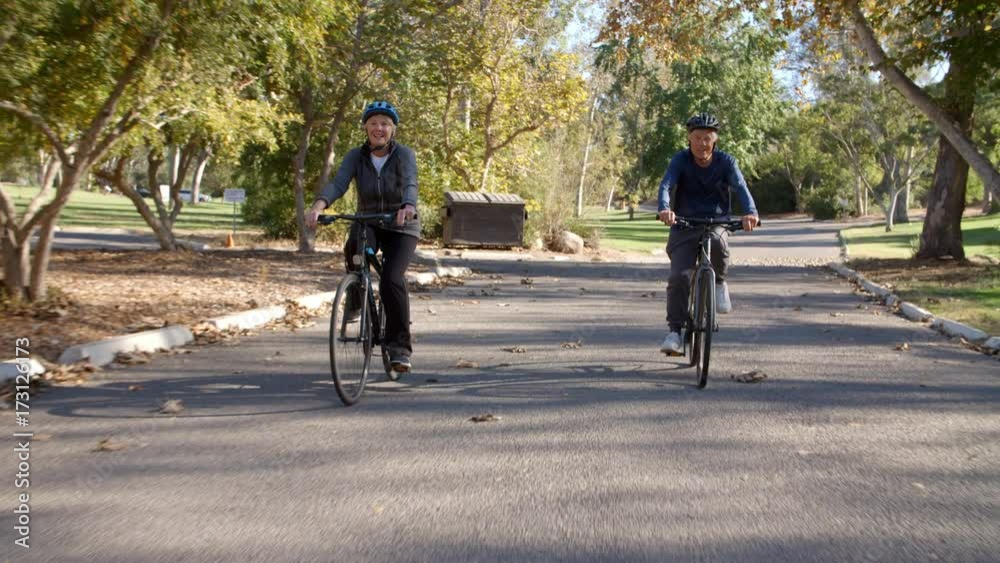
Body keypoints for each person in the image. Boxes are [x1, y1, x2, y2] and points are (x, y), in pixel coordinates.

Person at [305, 100, 420, 372]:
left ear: (392, 129)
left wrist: (408, 206)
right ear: (366, 127)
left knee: (392, 279)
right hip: (368, 219)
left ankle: (399, 349)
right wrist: (319, 206)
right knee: (354, 246)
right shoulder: (355, 156)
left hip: (401, 223)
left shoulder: (404, 154)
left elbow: (410, 182)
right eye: (373, 123)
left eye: (384, 124)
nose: (378, 128)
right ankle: (356, 297)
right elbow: (339, 183)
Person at [656, 112, 759, 355]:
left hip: (716, 221)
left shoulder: (726, 161)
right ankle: (675, 332)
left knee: (718, 242)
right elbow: (666, 185)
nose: (702, 143)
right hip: (684, 223)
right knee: (679, 277)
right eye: (697, 138)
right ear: (689, 139)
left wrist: (751, 213)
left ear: (715, 141)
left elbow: (741, 188)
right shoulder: (680, 160)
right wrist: (664, 208)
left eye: (707, 138)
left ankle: (720, 283)